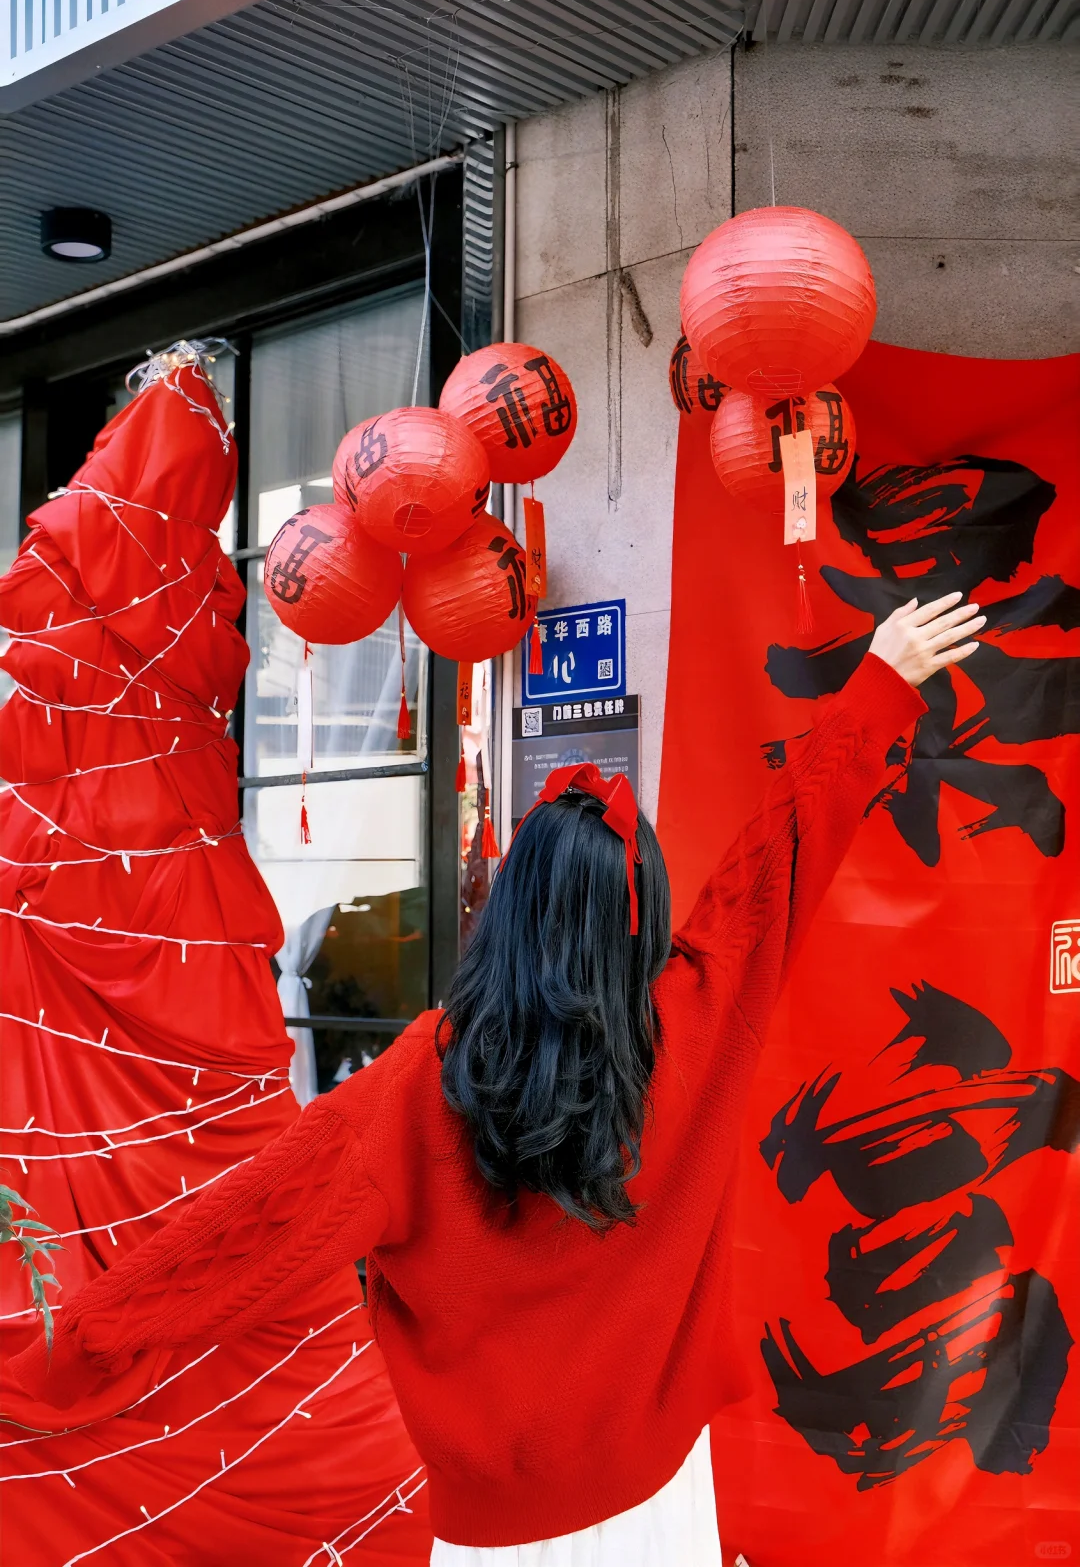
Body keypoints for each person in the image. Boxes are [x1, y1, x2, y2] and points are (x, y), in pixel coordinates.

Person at [10, 594, 984, 1566]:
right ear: (639, 918)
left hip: (483, 1524)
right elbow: (782, 852)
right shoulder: (697, 1018)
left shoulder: (420, 1079)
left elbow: (241, 1233)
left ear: (508, 909)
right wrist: (881, 679)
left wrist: (70, 1348)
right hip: (658, 1494)